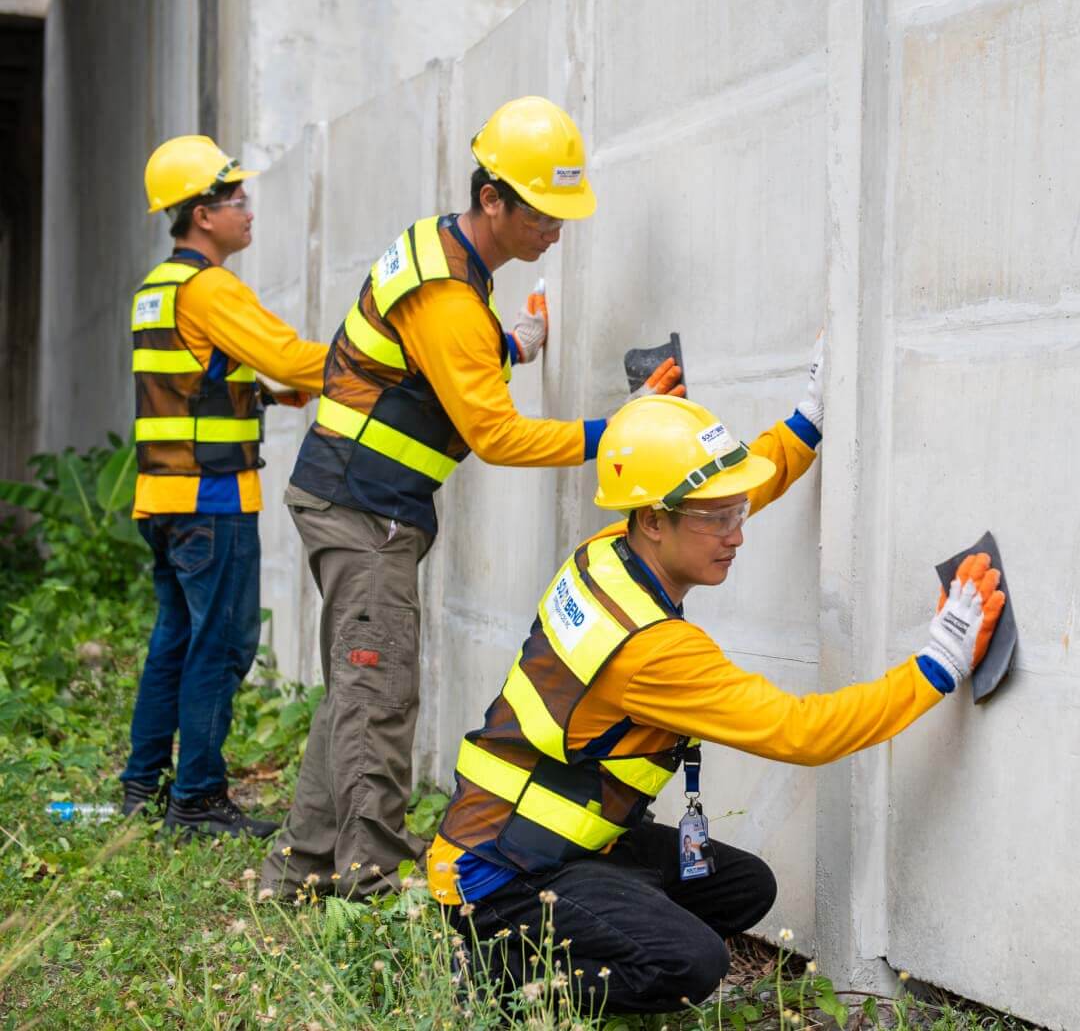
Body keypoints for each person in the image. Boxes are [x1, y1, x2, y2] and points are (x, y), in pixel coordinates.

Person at [427, 357, 1005, 1015]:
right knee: (692, 962)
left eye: (735, 512)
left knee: (740, 889)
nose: (736, 534)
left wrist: (804, 424)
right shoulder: (653, 652)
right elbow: (805, 732)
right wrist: (938, 661)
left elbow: (720, 493)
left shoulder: (608, 552)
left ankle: (575, 933)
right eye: (716, 519)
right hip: (500, 873)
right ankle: (500, 977)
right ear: (654, 520)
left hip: (544, 838)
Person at [261, 96, 685, 899]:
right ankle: (370, 885)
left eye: (564, 213)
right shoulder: (452, 296)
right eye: (542, 212)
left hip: (353, 500)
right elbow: (498, 437)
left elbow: (435, 353)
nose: (555, 229)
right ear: (492, 197)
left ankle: (298, 870)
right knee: (380, 696)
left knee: (357, 689)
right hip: (363, 511)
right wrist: (618, 433)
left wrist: (515, 342)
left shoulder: (442, 255)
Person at [119, 135, 329, 838]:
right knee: (224, 646)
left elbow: (192, 388)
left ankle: (142, 788)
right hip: (212, 503)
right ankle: (200, 801)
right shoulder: (211, 288)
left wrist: (268, 398)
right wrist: (383, 356)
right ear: (201, 214)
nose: (247, 210)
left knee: (175, 640)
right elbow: (291, 355)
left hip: (164, 498)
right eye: (235, 198)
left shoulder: (158, 290)